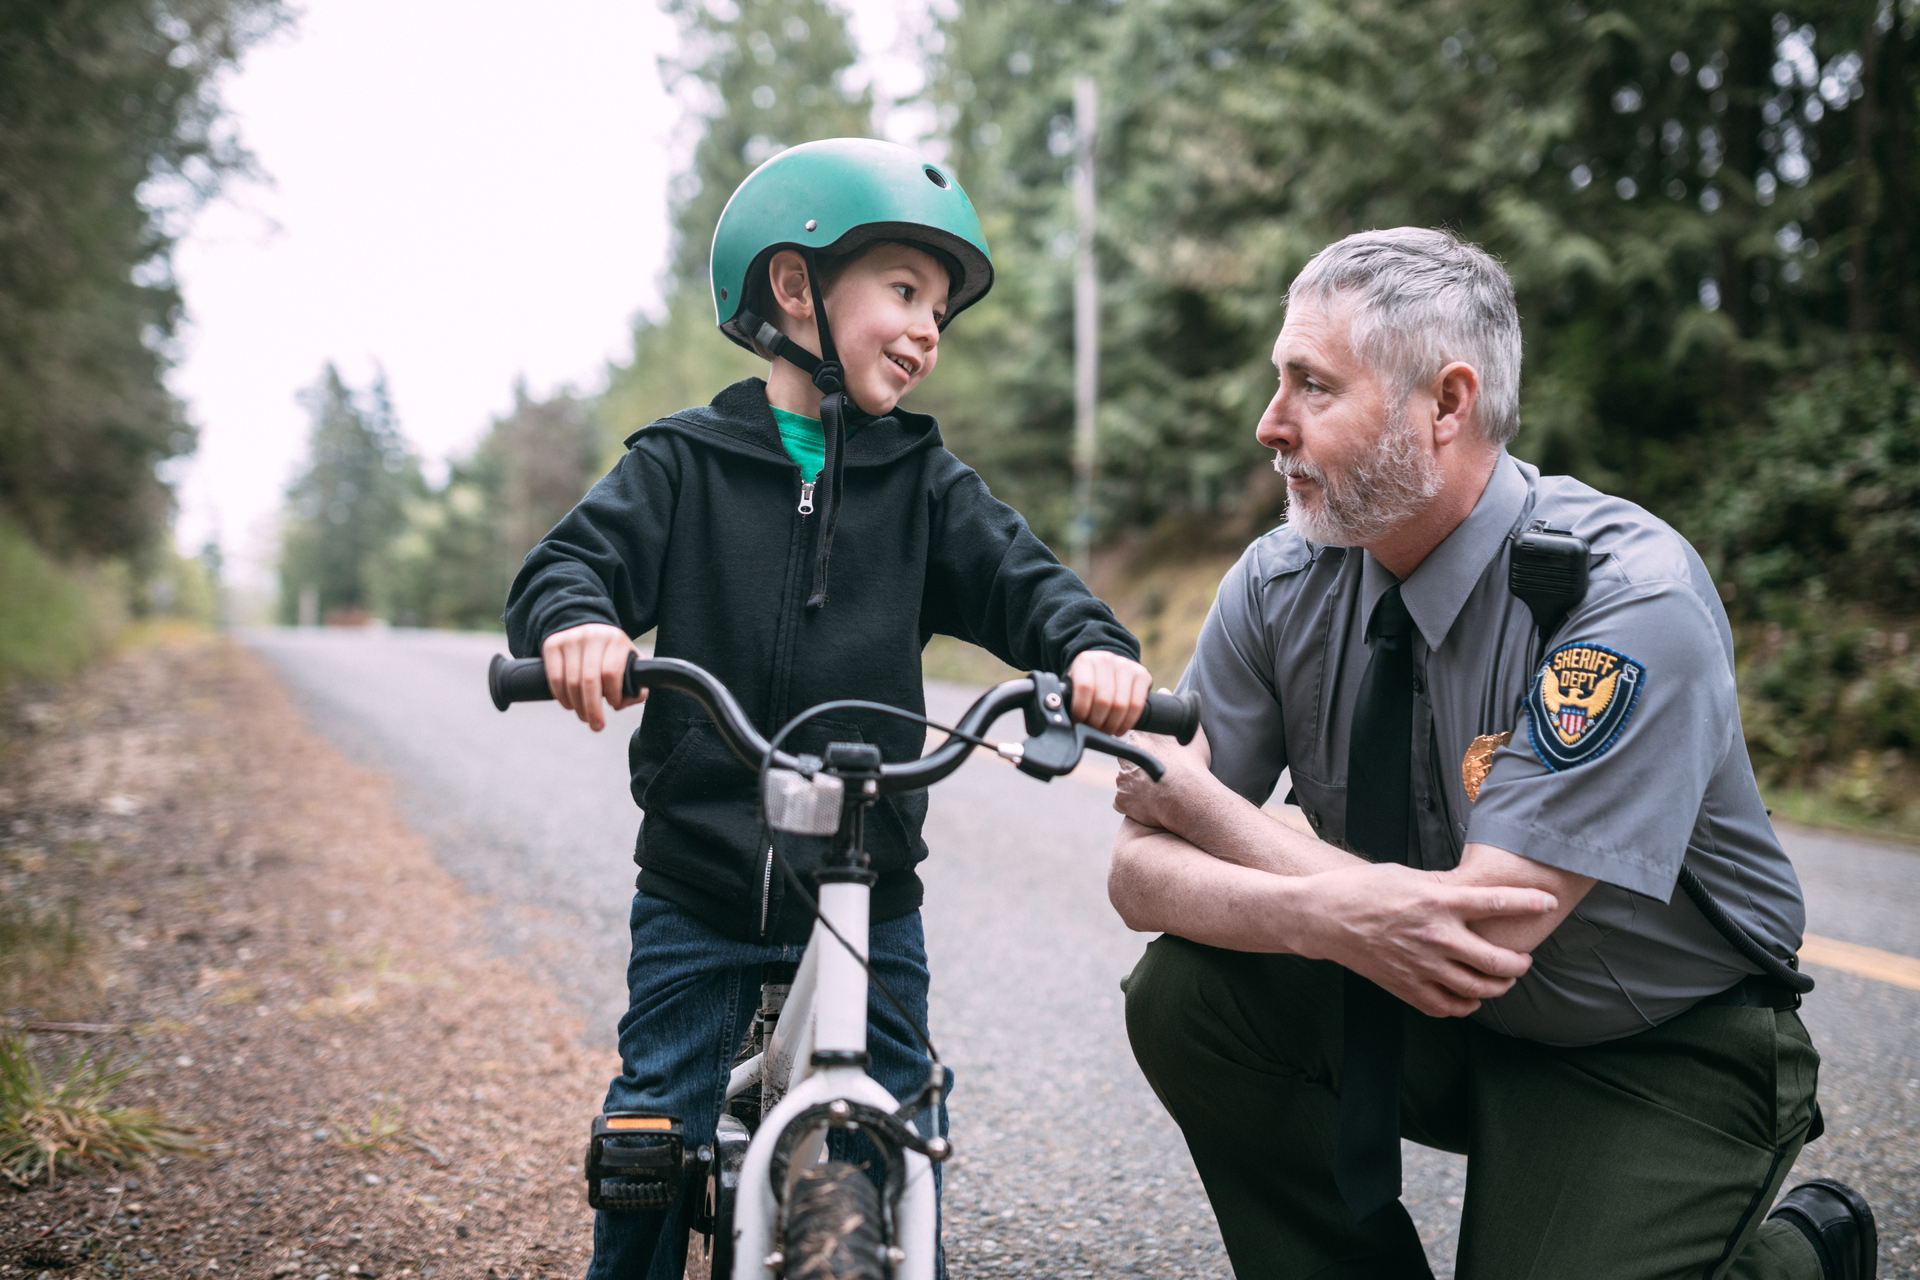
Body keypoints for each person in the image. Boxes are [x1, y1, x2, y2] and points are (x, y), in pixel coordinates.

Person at [1109, 227, 1877, 1280]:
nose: (1269, 422)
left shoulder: (1625, 593)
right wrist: (1329, 912)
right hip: (1426, 1011)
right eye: (1276, 379)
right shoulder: (1282, 580)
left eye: (1312, 385)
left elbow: (1480, 932)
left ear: (1447, 404)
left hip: (1656, 1044)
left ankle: (1798, 1255)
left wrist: (1208, 810)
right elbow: (1136, 874)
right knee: (1186, 996)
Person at [505, 137, 1153, 1279]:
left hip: (869, 888)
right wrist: (578, 624)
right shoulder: (683, 465)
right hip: (704, 880)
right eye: (903, 289)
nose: (927, 328)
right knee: (653, 1130)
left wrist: (1092, 647)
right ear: (794, 288)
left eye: (941, 309)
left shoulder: (926, 485)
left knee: (903, 1138)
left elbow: (1027, 585)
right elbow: (570, 567)